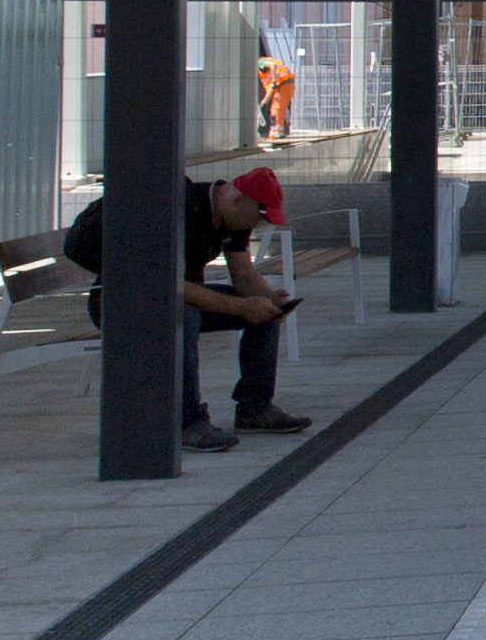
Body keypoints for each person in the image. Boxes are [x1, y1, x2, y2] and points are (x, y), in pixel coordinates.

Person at [63, 165, 307, 451]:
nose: (258, 224)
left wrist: (268, 300)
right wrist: (241, 306)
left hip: (174, 296)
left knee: (262, 315)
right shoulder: (178, 210)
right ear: (236, 198)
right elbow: (171, 284)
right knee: (184, 318)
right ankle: (187, 422)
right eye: (259, 215)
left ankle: (255, 409)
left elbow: (243, 275)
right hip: (121, 303)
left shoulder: (233, 219)